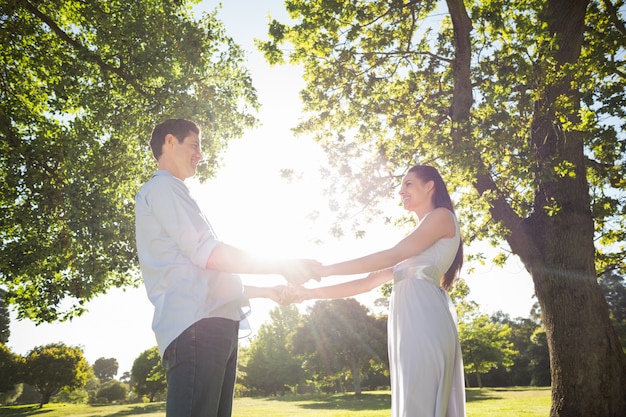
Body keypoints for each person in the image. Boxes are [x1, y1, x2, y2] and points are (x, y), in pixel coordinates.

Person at [134, 118, 317, 417]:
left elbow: (207, 277)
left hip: (212, 327)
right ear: (170, 142)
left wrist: (269, 290)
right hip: (196, 330)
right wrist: (282, 264)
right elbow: (209, 254)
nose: (200, 155)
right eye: (194, 145)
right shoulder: (164, 189)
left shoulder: (175, 193)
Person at [285, 164, 465, 417]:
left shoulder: (442, 217)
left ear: (429, 186)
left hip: (425, 321)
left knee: (421, 400)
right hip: (410, 323)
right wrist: (308, 293)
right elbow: (367, 282)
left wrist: (324, 270)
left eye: (408, 184)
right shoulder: (418, 241)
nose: (401, 191)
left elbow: (393, 254)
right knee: (414, 400)